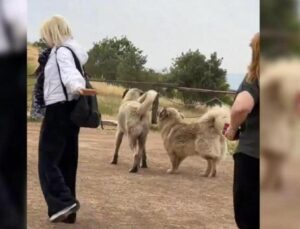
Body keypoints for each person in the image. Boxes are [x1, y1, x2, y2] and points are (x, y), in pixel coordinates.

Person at [38, 15, 96, 223]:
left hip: (59, 109)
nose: (44, 39)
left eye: (45, 35)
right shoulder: (73, 51)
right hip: (71, 111)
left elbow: (70, 75)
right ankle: (68, 211)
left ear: (52, 32)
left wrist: (76, 87)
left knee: (47, 160)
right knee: (67, 160)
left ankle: (63, 202)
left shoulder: (61, 51)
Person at [224, 33, 259, 229]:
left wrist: (233, 129)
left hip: (254, 157)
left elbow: (241, 107)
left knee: (249, 220)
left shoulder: (255, 79)